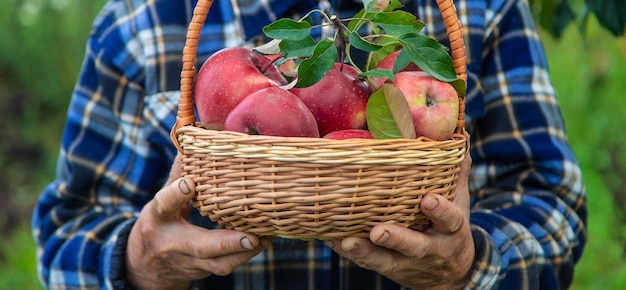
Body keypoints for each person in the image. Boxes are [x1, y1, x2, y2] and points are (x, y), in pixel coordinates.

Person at [32, 0, 587, 289]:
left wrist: (470, 266)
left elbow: (552, 207)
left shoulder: (480, 12)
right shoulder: (142, 22)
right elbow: (64, 236)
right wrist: (141, 263)